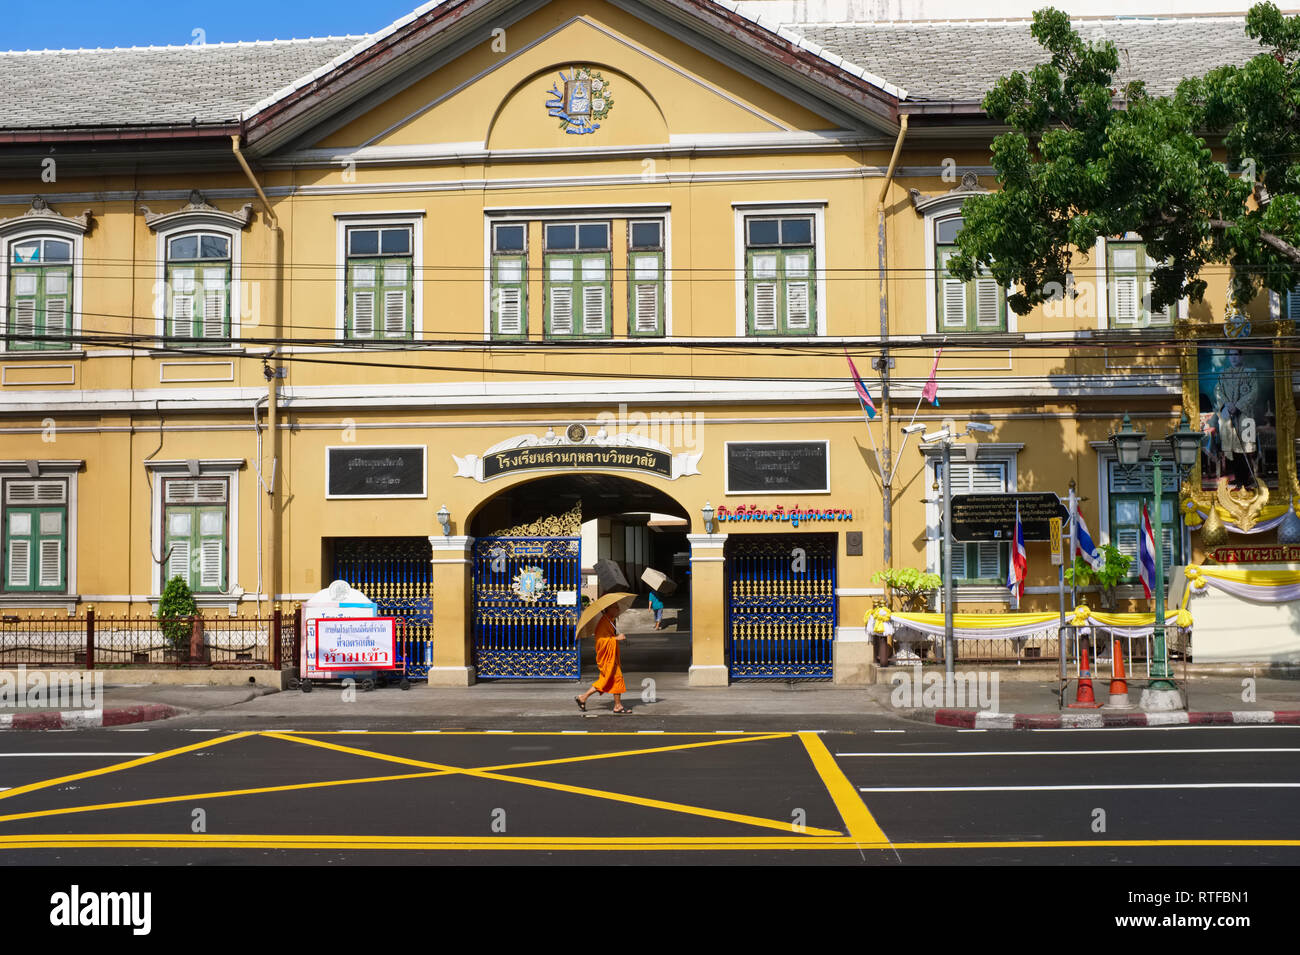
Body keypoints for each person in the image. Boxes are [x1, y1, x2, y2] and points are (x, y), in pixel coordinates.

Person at [1213, 348, 1261, 487]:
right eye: (1231, 355)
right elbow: (1218, 391)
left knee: (1246, 447)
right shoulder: (1223, 374)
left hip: (1245, 416)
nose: (1233, 358)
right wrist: (1227, 405)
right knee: (1232, 449)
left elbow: (1254, 392)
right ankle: (1238, 477)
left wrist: (1238, 406)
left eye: (1236, 355)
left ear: (1241, 357)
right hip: (1228, 416)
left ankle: (1248, 478)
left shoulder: (1250, 373)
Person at [575, 604, 630, 714]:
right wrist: (616, 638)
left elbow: (608, 637)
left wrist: (616, 638)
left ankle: (583, 697)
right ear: (608, 608)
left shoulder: (610, 620)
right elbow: (600, 641)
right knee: (616, 678)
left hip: (611, 656)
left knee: (607, 680)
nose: (618, 609)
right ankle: (617, 706)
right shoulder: (604, 622)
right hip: (606, 658)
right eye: (615, 607)